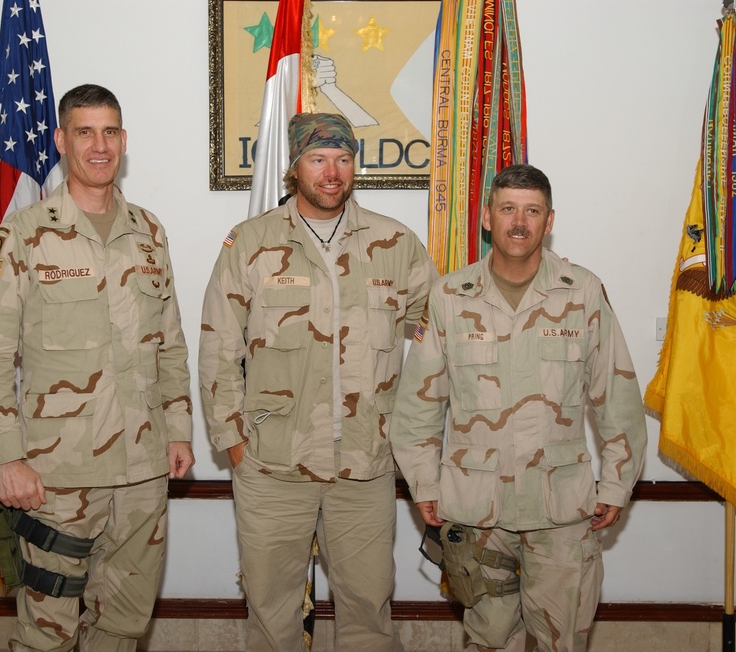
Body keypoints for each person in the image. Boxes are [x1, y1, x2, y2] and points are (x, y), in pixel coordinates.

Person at [0, 84, 194, 651]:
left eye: (110, 131)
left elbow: (171, 344)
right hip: (57, 480)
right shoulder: (23, 236)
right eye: (84, 131)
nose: (99, 145)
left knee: (123, 628)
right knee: (48, 636)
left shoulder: (149, 234)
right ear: (61, 140)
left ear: (124, 141)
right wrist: (6, 457)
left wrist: (179, 429)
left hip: (142, 473)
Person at [199, 112, 438, 651]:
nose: (332, 172)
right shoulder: (252, 243)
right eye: (318, 159)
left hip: (365, 466)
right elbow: (219, 344)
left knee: (368, 611)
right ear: (294, 167)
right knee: (271, 612)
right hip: (273, 464)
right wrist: (233, 442)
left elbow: (436, 339)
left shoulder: (395, 243)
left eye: (343, 158)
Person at [389, 164, 647, 652]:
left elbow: (617, 396)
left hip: (561, 513)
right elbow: (417, 405)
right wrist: (424, 482)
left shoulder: (582, 292)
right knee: (488, 643)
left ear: (550, 222)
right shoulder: (449, 298)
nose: (519, 222)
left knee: (561, 643)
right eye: (508, 209)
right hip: (476, 511)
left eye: (532, 211)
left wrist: (616, 481)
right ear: (487, 217)